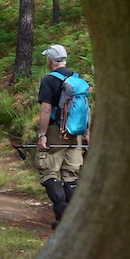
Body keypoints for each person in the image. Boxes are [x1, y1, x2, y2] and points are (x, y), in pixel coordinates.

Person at [36, 44, 84, 227]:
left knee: (48, 172)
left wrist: (42, 135)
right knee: (71, 174)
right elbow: (86, 108)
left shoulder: (49, 80)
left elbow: (46, 108)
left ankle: (63, 216)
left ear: (50, 60)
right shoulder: (77, 79)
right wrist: (86, 134)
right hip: (76, 132)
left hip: (56, 131)